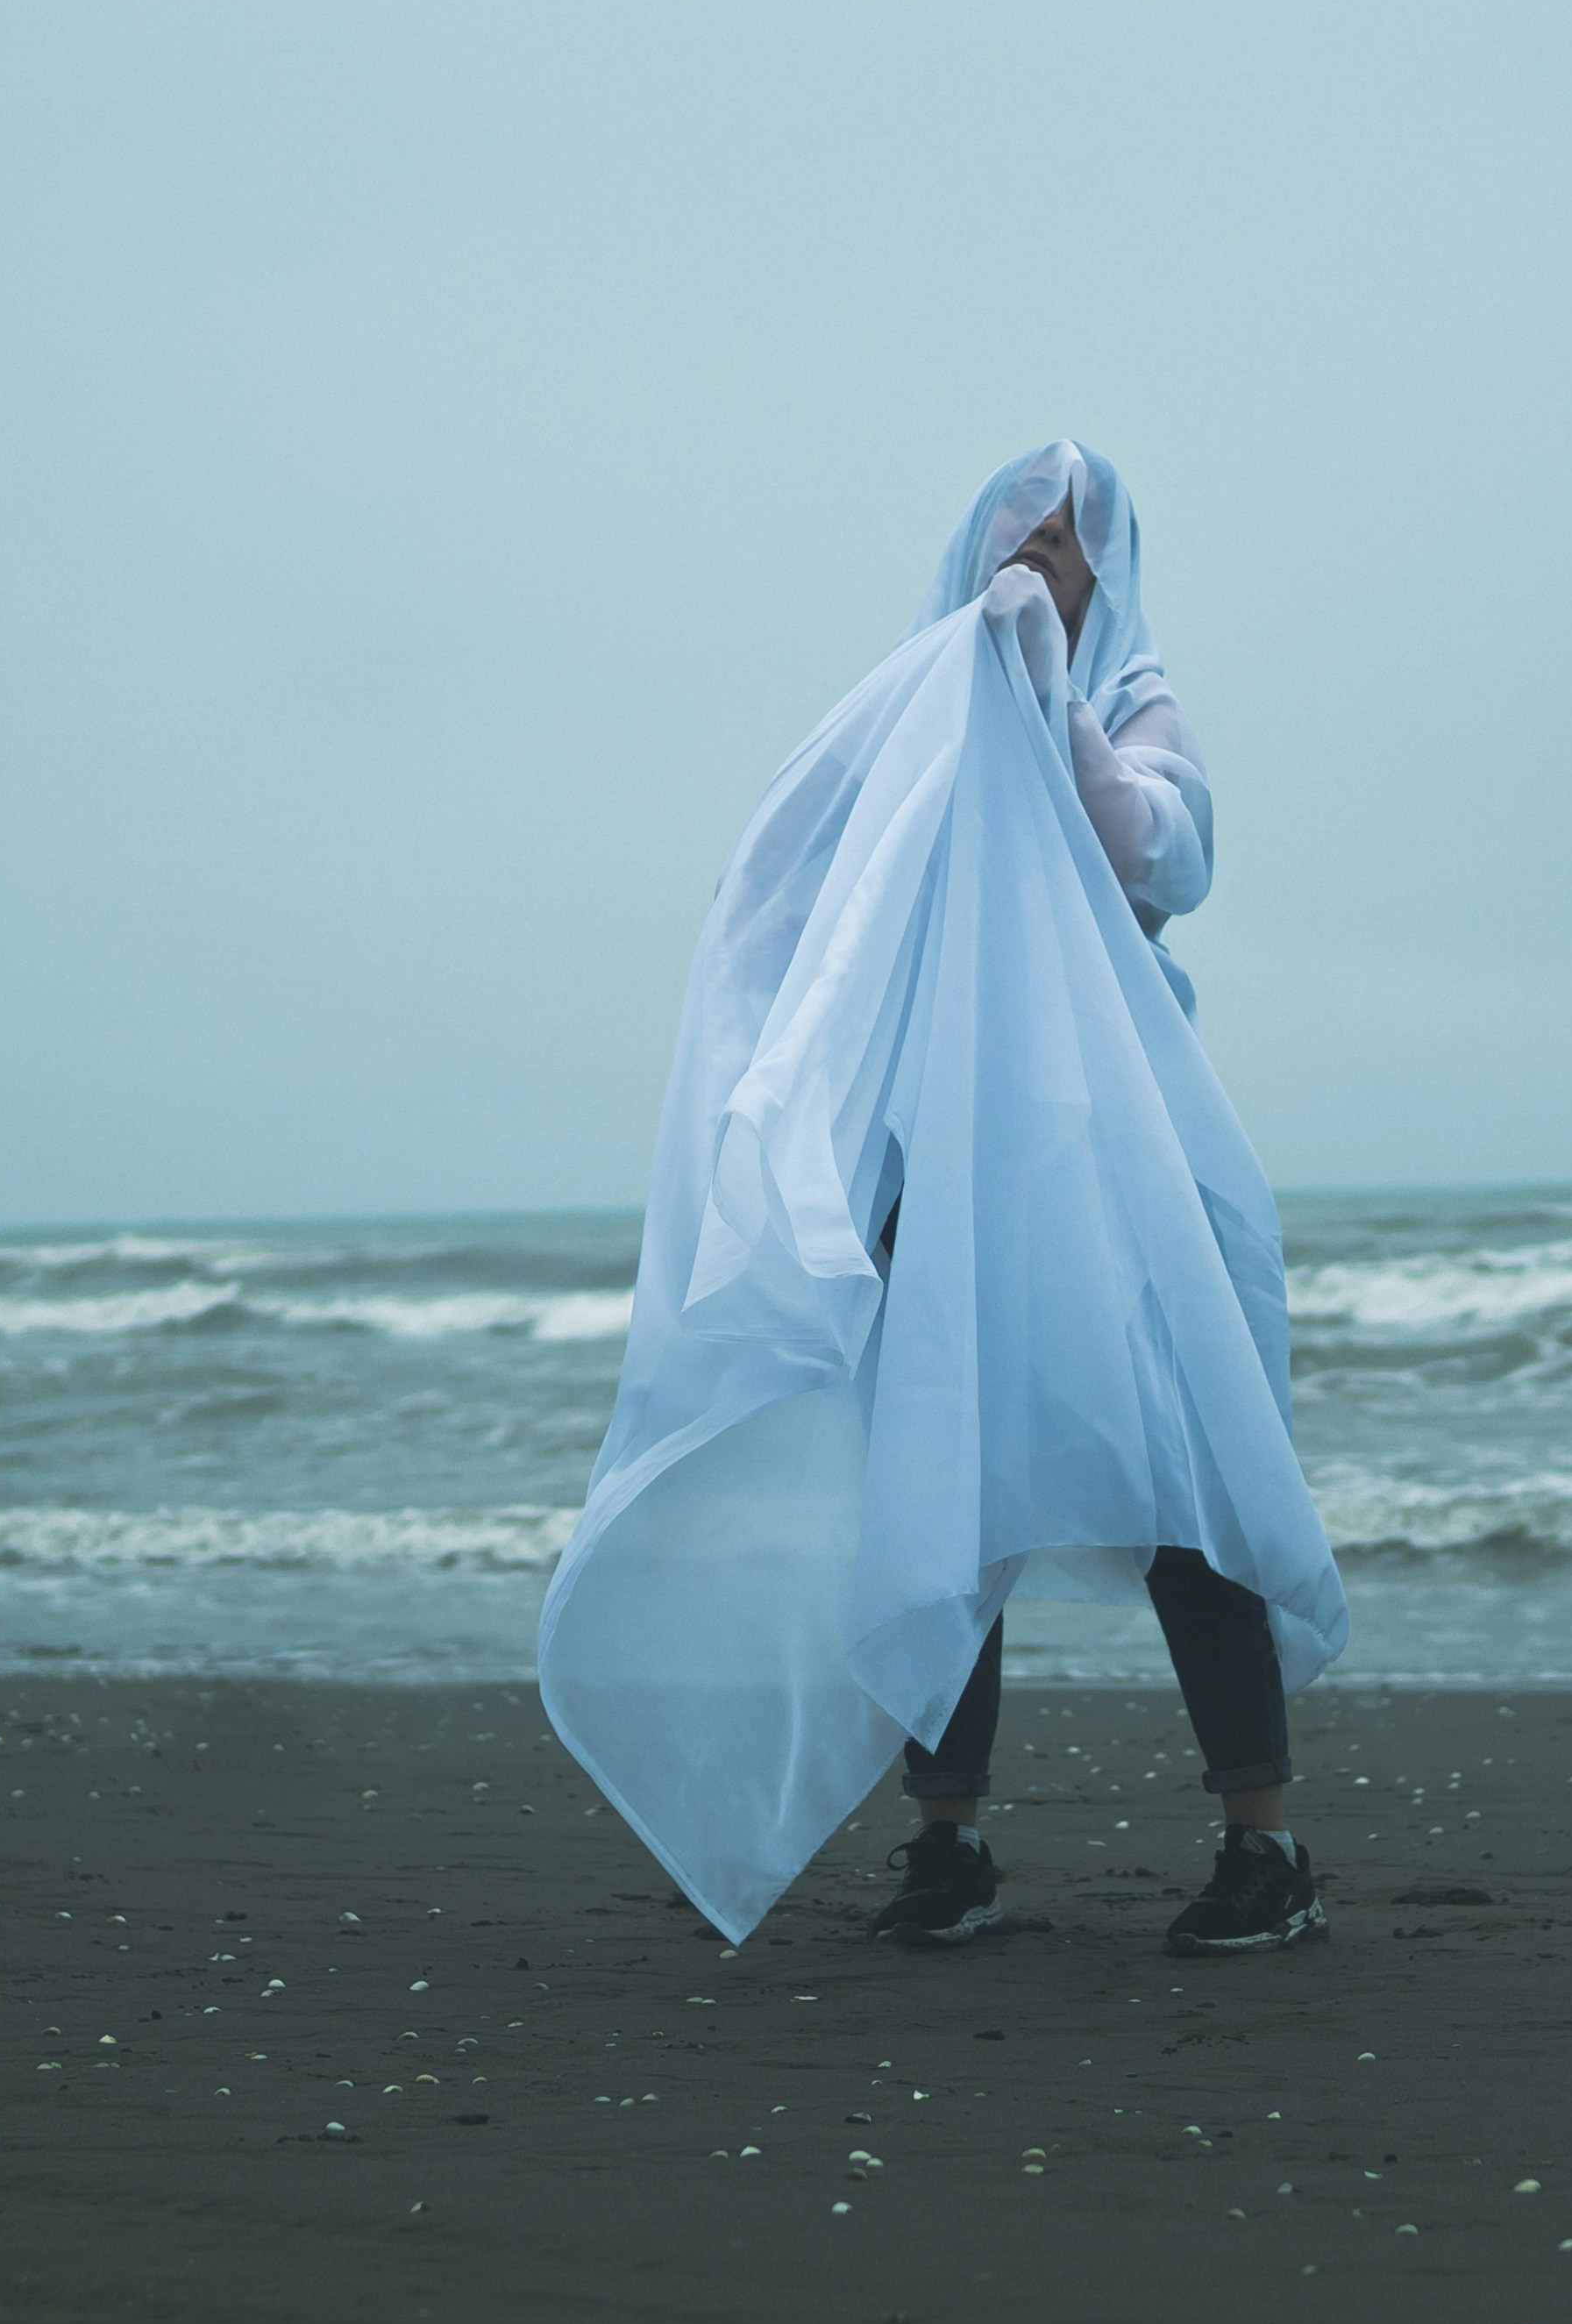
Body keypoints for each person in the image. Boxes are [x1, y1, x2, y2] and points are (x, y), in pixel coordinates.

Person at [534, 441, 1345, 1963]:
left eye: (1065, 540)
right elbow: (808, 888)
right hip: (954, 1164)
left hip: (1119, 1168)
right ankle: (948, 1842)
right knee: (943, 1489)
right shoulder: (915, 717)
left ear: (1108, 567)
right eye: (1014, 538)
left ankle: (1266, 1845)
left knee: (1191, 1498)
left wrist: (1050, 701)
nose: (1037, 560)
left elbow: (1164, 853)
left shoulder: (1129, 708)